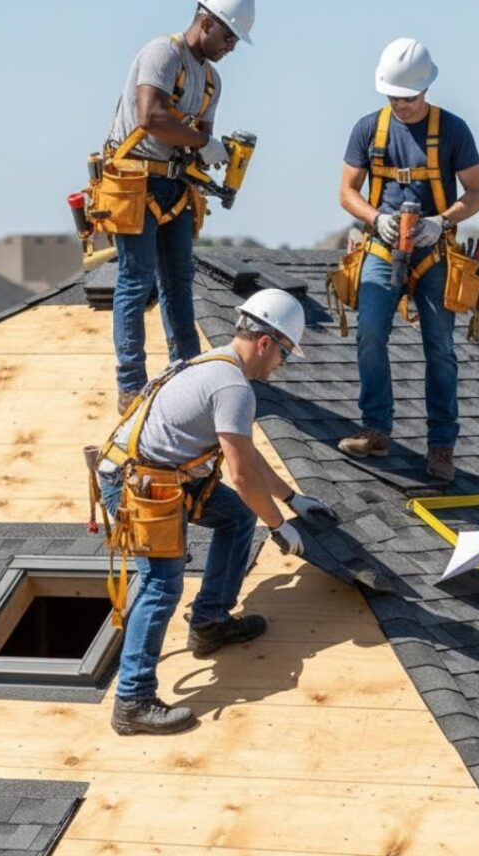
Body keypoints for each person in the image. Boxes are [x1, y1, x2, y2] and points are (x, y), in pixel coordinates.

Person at [98, 289, 333, 735]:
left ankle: (209, 623)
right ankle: (132, 700)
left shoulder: (215, 365)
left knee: (235, 517)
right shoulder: (233, 387)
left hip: (161, 477)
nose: (281, 364)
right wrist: (279, 527)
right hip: (139, 485)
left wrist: (290, 498)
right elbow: (243, 478)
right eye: (284, 353)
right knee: (160, 584)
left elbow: (244, 454)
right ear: (265, 342)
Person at [336, 37, 479, 482]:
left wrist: (440, 222)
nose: (400, 106)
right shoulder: (369, 128)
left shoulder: (452, 130)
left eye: (407, 99)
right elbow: (347, 190)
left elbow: (477, 193)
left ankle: (442, 446)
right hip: (382, 245)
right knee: (369, 334)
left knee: (440, 348)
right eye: (392, 98)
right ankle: (375, 430)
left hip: (433, 250)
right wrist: (374, 217)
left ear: (425, 91)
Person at [106, 0, 256, 413]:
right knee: (137, 281)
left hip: (175, 185)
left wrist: (210, 148)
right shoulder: (163, 54)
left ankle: (187, 373)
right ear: (205, 22)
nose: (231, 46)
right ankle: (130, 384)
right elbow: (151, 116)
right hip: (135, 178)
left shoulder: (211, 80)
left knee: (178, 282)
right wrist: (201, 142)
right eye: (228, 36)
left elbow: (199, 138)